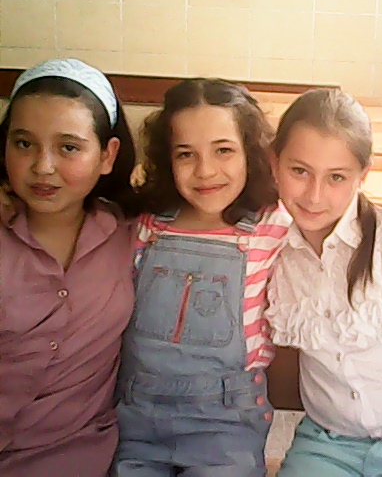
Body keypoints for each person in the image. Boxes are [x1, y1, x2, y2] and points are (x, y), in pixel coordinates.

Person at [114, 78, 291, 476]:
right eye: (185, 154)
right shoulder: (146, 226)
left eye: (223, 150)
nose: (205, 170)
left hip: (226, 421)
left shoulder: (272, 225)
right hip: (137, 417)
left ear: (251, 152)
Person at [265, 88, 382, 476]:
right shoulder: (270, 250)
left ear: (362, 175)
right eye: (299, 171)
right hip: (325, 442)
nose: (314, 195)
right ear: (275, 164)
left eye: (336, 177)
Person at [0, 58, 138, 476]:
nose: (43, 166)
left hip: (75, 455)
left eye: (69, 147)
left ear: (107, 155)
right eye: (24, 144)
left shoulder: (131, 233)